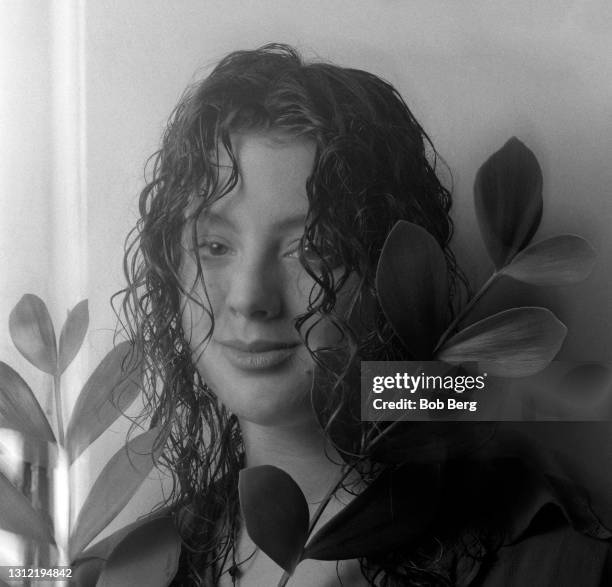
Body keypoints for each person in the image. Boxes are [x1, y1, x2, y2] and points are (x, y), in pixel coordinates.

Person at [119, 44, 611, 586]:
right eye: (215, 245)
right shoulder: (128, 564)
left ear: (392, 269)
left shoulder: (550, 560)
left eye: (313, 249)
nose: (249, 298)